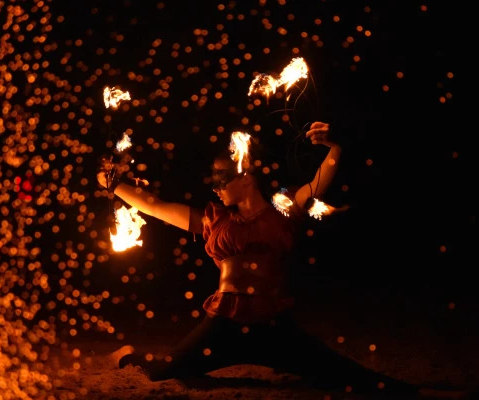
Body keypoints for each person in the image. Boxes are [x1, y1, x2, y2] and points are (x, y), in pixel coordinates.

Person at [96, 121, 418, 397]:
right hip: (222, 325)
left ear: (246, 177)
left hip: (272, 326)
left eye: (223, 178)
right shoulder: (215, 219)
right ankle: (128, 356)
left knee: (343, 374)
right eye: (214, 178)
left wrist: (335, 148)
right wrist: (114, 184)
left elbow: (317, 185)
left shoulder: (284, 208)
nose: (216, 185)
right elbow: (154, 206)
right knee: (161, 371)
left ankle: (423, 393)